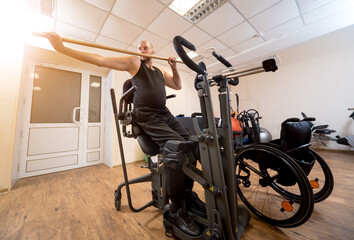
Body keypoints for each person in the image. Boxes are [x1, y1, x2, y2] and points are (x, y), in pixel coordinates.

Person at [44, 33, 205, 236]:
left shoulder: (159, 70)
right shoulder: (133, 63)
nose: (141, 50)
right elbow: (100, 59)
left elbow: (177, 85)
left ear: (153, 51)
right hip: (146, 116)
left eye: (145, 47)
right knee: (177, 149)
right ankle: (176, 210)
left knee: (193, 143)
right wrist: (62, 48)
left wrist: (174, 67)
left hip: (165, 114)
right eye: (139, 48)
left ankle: (187, 194)